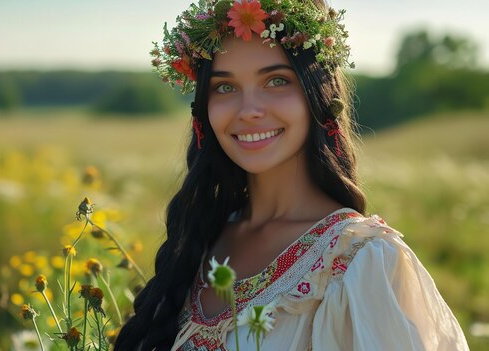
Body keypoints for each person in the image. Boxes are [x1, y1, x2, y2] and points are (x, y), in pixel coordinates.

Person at [114, 0, 470, 350]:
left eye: (276, 81)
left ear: (318, 94)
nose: (249, 110)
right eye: (225, 87)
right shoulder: (200, 241)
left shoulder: (361, 260)